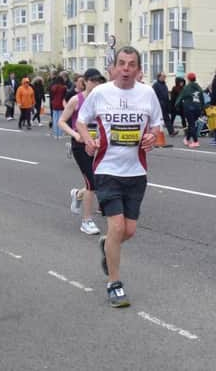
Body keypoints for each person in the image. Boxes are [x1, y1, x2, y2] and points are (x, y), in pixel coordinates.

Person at [76, 46, 162, 308]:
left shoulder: (148, 93)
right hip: (107, 170)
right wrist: (89, 141)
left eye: (131, 64)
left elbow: (157, 127)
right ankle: (114, 284)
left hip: (136, 172)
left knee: (129, 231)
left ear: (138, 69)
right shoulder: (101, 93)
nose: (126, 68)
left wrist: (151, 138)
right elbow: (81, 121)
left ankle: (107, 245)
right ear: (114, 67)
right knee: (116, 226)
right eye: (121, 63)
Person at [58, 69, 106, 235]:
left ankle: (78, 194)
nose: (96, 84)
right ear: (85, 81)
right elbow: (62, 121)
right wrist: (76, 134)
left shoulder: (102, 100)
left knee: (100, 180)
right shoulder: (75, 100)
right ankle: (86, 221)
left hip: (97, 144)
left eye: (99, 81)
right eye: (93, 81)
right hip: (80, 145)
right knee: (92, 182)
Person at [175, 72, 204, 148]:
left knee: (191, 125)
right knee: (192, 124)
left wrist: (176, 105)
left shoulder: (187, 88)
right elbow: (202, 98)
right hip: (197, 108)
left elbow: (181, 97)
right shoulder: (199, 87)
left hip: (189, 108)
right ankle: (187, 139)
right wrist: (202, 108)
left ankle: (195, 141)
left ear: (188, 79)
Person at [152, 72, 175, 136]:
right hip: (159, 105)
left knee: (166, 118)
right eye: (163, 76)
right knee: (158, 119)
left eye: (165, 76)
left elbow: (166, 95)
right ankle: (155, 132)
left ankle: (171, 132)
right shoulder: (156, 85)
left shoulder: (164, 84)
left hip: (165, 104)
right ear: (159, 77)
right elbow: (154, 96)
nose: (165, 78)